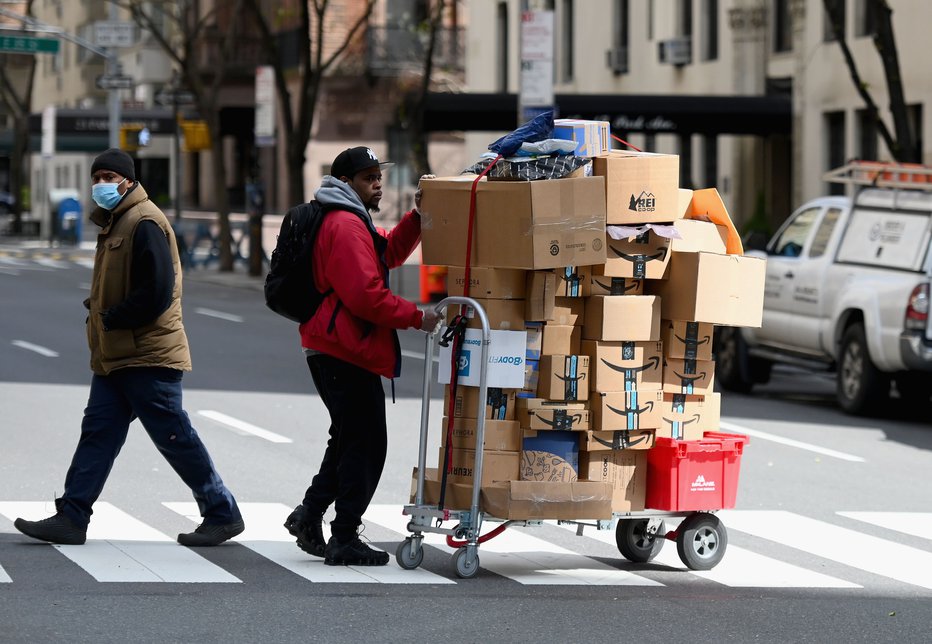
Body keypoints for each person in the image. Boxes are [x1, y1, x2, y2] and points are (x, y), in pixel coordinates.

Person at [13, 148, 244, 547]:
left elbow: (156, 291)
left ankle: (221, 512)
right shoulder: (118, 221)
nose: (101, 183)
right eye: (96, 176)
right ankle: (72, 515)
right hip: (117, 355)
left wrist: (113, 317)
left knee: (174, 436)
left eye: (109, 176)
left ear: (128, 180)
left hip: (147, 354)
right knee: (98, 433)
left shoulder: (145, 220)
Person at [283, 146, 442, 566]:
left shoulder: (352, 220)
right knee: (367, 443)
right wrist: (418, 318)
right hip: (342, 349)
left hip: (336, 345)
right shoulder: (345, 224)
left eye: (379, 175)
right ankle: (344, 536)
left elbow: (385, 254)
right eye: (369, 177)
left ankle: (310, 514)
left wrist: (417, 218)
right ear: (347, 182)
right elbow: (366, 297)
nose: (378, 183)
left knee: (349, 438)